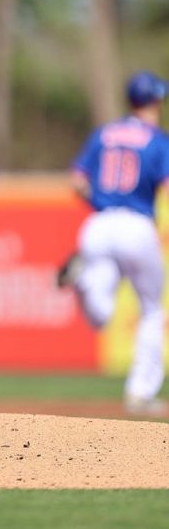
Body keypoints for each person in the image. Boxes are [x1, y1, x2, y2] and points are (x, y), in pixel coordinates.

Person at [57, 71, 169, 417]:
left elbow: (77, 182)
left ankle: (83, 281)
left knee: (101, 315)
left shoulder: (104, 134)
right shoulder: (157, 139)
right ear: (155, 101)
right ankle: (139, 394)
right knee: (152, 309)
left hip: (98, 225)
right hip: (136, 224)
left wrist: (104, 202)